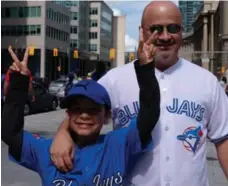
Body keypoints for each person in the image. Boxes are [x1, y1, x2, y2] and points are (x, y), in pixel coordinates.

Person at [50, 1, 228, 186]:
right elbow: (81, 110)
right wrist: (63, 133)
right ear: (142, 32)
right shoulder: (115, 80)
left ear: (182, 31)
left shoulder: (206, 81)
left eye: (173, 28)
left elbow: (224, 139)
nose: (165, 36)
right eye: (156, 29)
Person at [2, 43, 160, 185]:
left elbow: (149, 113)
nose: (84, 115)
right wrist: (18, 83)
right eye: (77, 109)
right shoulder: (49, 150)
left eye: (93, 110)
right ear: (68, 114)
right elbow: (10, 133)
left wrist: (146, 69)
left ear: (106, 116)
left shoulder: (118, 145)